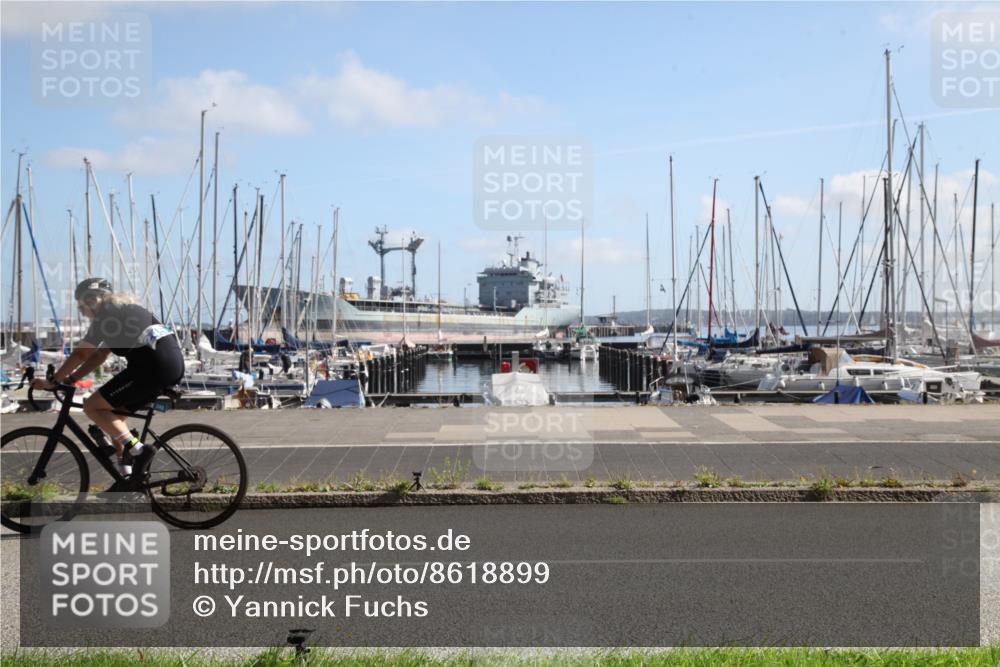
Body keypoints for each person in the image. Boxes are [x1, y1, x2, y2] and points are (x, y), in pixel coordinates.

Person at [32, 278, 185, 490]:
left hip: (151, 368)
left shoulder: (106, 316)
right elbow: (99, 356)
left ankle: (140, 451)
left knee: (92, 406)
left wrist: (53, 381)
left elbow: (82, 353)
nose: (81, 311)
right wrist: (71, 380)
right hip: (170, 364)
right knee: (113, 420)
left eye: (81, 305)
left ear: (93, 299)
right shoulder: (122, 312)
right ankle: (128, 478)